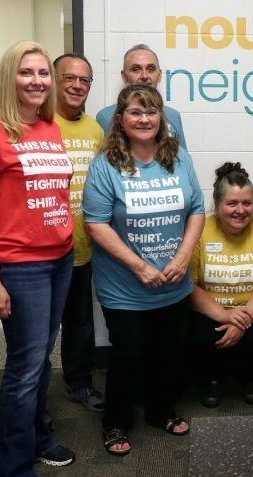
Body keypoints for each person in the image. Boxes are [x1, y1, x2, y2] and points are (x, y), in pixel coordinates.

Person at [0, 40, 76, 474]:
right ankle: (12, 464)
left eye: (43, 73)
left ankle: (39, 436)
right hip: (20, 264)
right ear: (9, 77)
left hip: (59, 258)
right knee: (25, 367)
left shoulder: (48, 128)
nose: (37, 81)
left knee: (42, 357)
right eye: (26, 72)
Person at [83, 84, 204, 456]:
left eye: (151, 112)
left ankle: (160, 410)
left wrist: (183, 257)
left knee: (168, 354)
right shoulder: (105, 165)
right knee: (128, 356)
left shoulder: (179, 157)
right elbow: (96, 223)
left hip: (173, 283)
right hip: (126, 289)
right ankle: (116, 422)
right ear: (121, 119)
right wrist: (140, 267)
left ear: (160, 118)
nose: (144, 119)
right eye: (135, 112)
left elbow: (197, 208)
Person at [188, 162, 253, 407]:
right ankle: (211, 378)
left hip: (252, 309)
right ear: (217, 205)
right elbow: (190, 285)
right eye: (232, 203)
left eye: (247, 203)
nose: (240, 210)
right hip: (211, 308)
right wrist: (223, 314)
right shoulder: (199, 229)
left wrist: (244, 319)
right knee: (197, 332)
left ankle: (251, 377)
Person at [52, 53, 106, 412]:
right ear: (54, 80)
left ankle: (78, 383)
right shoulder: (39, 125)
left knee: (79, 322)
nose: (76, 85)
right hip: (44, 249)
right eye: (69, 78)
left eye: (84, 80)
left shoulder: (95, 130)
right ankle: (32, 397)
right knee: (39, 329)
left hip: (84, 246)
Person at [95, 43, 187, 148]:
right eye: (136, 69)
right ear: (124, 76)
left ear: (160, 75)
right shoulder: (105, 117)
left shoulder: (173, 116)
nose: (144, 76)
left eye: (151, 69)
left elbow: (182, 161)